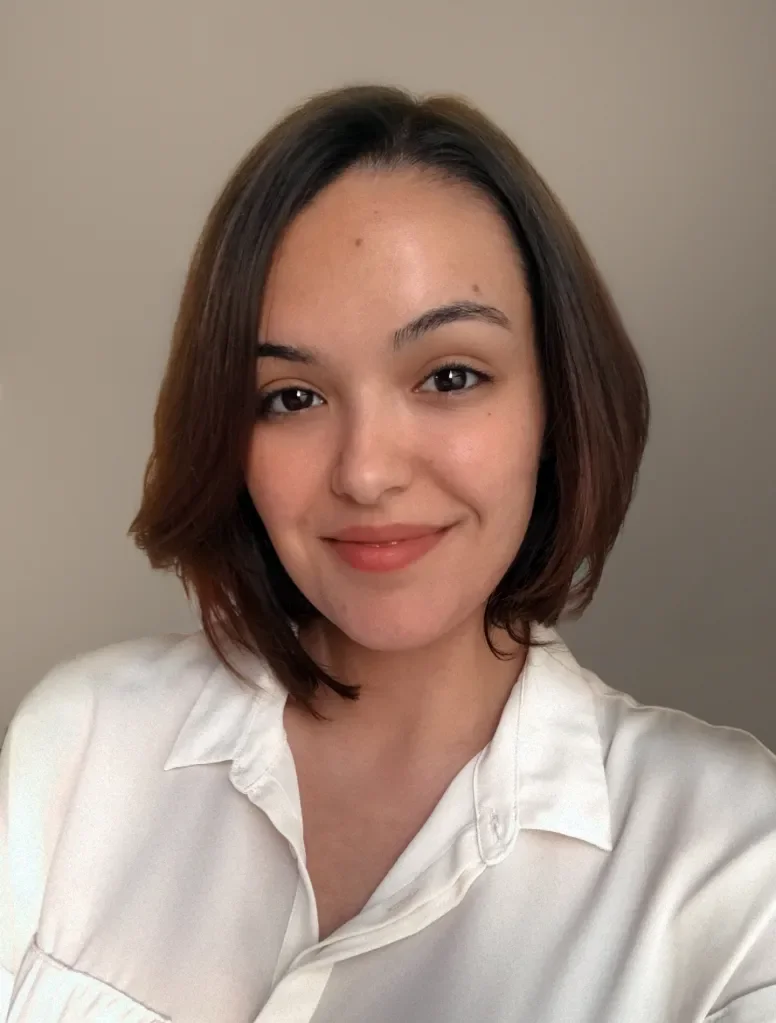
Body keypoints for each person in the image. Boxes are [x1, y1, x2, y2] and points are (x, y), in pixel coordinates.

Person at [1, 84, 774, 1023]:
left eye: (450, 376)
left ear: (555, 406)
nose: (365, 473)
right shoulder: (82, 745)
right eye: (291, 396)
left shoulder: (737, 863)